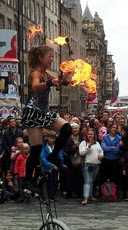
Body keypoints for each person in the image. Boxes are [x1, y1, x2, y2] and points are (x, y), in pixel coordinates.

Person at [21, 45, 72, 190]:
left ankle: (54, 155)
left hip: (45, 112)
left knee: (67, 128)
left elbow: (60, 82)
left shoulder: (47, 74)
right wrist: (50, 82)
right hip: (33, 113)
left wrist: (67, 77)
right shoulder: (35, 73)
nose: (52, 59)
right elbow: (36, 86)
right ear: (40, 58)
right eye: (49, 56)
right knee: (36, 149)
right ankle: (27, 181)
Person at [79, 129, 103, 205]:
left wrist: (101, 155)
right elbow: (81, 153)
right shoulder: (83, 143)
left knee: (92, 181)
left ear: (94, 135)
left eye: (91, 134)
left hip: (96, 164)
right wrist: (88, 147)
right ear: (86, 135)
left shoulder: (97, 143)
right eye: (88, 134)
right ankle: (85, 197)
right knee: (87, 181)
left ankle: (90, 196)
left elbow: (101, 151)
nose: (90, 135)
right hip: (87, 164)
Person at [40, 131, 63, 200]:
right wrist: (51, 165)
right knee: (48, 182)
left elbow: (60, 155)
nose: (52, 139)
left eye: (53, 138)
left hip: (56, 167)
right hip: (47, 167)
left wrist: (60, 163)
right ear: (47, 138)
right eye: (50, 138)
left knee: (54, 181)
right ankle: (45, 196)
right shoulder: (44, 147)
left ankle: (52, 195)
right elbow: (43, 158)